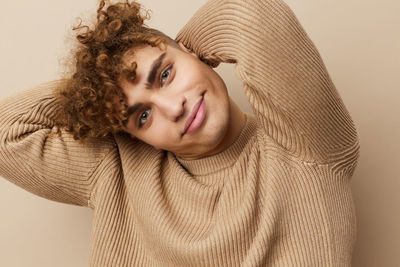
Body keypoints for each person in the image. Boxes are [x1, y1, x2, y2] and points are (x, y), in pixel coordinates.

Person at [0, 0, 360, 266]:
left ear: (192, 51)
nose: (174, 108)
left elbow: (254, 14)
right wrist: (95, 96)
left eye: (165, 74)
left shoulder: (307, 143)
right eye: (142, 116)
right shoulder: (117, 170)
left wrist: (179, 48)